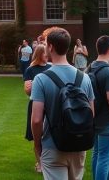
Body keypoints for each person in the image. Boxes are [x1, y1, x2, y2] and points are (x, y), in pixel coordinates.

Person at [31, 27, 95, 180]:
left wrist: (37, 144)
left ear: (51, 47)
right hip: (79, 145)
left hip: (53, 145)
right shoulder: (84, 78)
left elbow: (36, 119)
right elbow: (91, 113)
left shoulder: (41, 79)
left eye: (46, 44)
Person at [88, 35, 109, 180]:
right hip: (107, 120)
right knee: (105, 157)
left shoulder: (89, 68)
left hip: (93, 118)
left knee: (101, 154)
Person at [23, 44, 51, 173]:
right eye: (45, 54)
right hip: (35, 104)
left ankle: (46, 161)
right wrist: (32, 86)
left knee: (48, 134)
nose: (47, 56)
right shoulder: (31, 69)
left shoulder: (51, 67)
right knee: (37, 136)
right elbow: (27, 91)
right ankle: (40, 163)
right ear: (39, 54)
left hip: (50, 105)